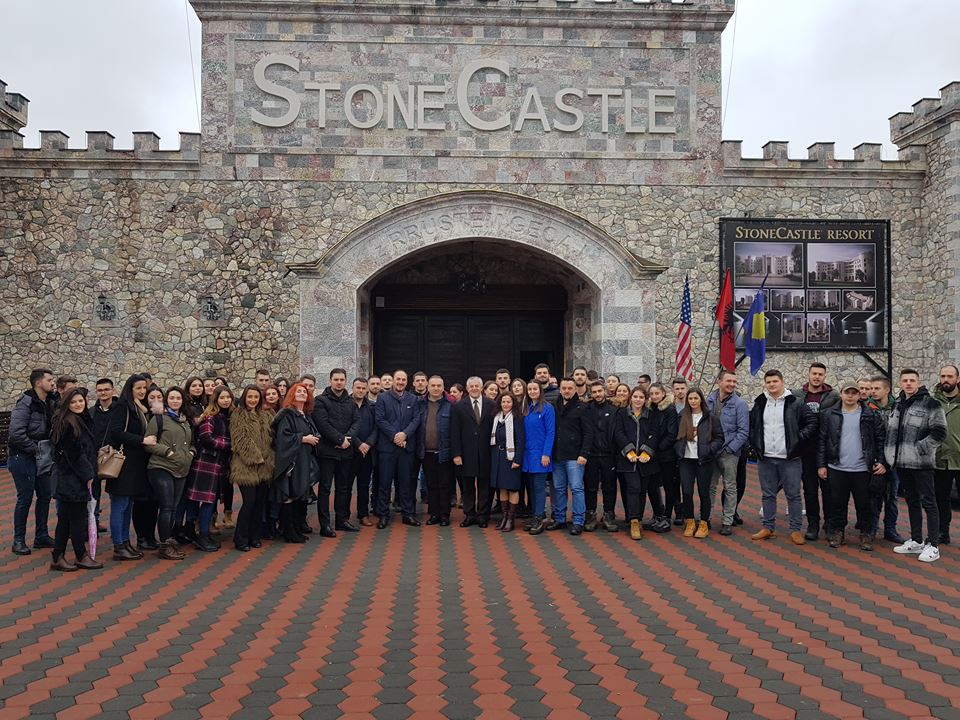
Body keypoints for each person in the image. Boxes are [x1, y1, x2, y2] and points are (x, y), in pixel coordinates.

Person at [817, 381, 887, 551]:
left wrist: (882, 462)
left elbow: (880, 440)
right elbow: (822, 441)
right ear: (840, 394)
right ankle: (838, 532)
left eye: (854, 393)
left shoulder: (870, 414)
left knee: (864, 503)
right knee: (837, 503)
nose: (850, 396)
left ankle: (866, 533)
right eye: (847, 392)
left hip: (863, 469)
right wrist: (821, 464)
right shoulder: (829, 414)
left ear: (859, 395)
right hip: (836, 467)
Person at [749, 369, 817, 545]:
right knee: (768, 494)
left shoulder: (796, 402)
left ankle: (795, 530)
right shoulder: (760, 402)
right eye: (768, 382)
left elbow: (812, 422)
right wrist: (755, 444)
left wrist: (798, 439)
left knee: (793, 495)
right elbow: (753, 425)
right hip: (766, 458)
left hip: (790, 458)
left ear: (782, 382)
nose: (772, 385)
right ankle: (768, 527)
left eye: (775, 381)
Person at [886, 369, 947, 563]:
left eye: (912, 380)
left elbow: (940, 432)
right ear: (900, 383)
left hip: (921, 462)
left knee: (929, 502)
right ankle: (916, 539)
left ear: (918, 382)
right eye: (905, 380)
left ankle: (933, 545)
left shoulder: (931, 404)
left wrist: (922, 447)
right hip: (902, 462)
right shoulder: (897, 404)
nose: (909, 384)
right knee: (911, 500)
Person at [49, 388, 102, 570]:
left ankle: (58, 556)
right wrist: (88, 475)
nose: (78, 404)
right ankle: (80, 555)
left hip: (73, 477)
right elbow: (74, 454)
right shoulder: (67, 423)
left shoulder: (80, 419)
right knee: (77, 519)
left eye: (81, 401)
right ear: (66, 404)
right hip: (72, 479)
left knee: (65, 518)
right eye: (73, 402)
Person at [8, 368, 56, 556]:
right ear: (38, 383)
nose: (53, 383)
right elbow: (16, 433)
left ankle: (41, 535)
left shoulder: (51, 402)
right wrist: (36, 449)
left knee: (44, 496)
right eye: (49, 380)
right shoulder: (26, 403)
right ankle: (18, 540)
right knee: (25, 498)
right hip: (23, 457)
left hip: (42, 456)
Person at [145, 387, 195, 560]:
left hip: (181, 469)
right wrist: (167, 452)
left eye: (178, 398)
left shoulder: (184, 420)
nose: (175, 401)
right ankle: (164, 545)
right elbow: (148, 443)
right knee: (166, 506)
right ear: (167, 400)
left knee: (173, 507)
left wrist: (191, 453)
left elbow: (191, 443)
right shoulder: (158, 419)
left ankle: (170, 541)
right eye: (172, 398)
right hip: (161, 466)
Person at [107, 374, 154, 561]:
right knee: (119, 505)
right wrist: (141, 440)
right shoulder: (123, 406)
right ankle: (118, 546)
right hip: (123, 463)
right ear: (130, 389)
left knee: (128, 505)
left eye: (144, 388)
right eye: (138, 388)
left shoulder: (140, 408)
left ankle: (126, 542)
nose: (142, 391)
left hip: (135, 464)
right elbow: (116, 432)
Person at [795, 362, 840, 541]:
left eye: (820, 374)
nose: (817, 377)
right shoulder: (798, 395)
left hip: (827, 449)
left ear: (824, 376)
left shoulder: (834, 396)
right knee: (809, 490)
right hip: (806, 449)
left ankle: (829, 524)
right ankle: (813, 523)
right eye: (814, 373)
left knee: (828, 490)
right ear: (809, 374)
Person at [313, 368, 361, 536]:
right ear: (330, 380)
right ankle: (325, 525)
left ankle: (341, 520)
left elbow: (357, 422)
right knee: (325, 488)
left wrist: (347, 439)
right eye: (336, 379)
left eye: (342, 379)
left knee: (343, 488)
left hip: (346, 452)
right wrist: (340, 440)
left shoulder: (351, 402)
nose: (339, 382)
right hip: (327, 452)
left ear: (346, 381)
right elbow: (322, 424)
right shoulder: (320, 401)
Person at [186, 386, 234, 552]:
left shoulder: (228, 417)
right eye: (222, 397)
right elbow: (206, 438)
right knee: (205, 500)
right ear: (216, 399)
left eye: (228, 397)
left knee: (210, 500)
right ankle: (201, 535)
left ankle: (199, 533)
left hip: (219, 463)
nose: (226, 400)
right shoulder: (210, 416)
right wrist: (229, 445)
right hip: (206, 462)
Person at [272, 383, 320, 543]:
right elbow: (283, 437)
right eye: (298, 391)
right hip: (291, 461)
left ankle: (296, 528)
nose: (302, 393)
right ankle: (288, 531)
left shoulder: (305, 414)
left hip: (303, 459)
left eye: (304, 392)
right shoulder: (287, 414)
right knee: (289, 494)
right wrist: (303, 438)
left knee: (299, 493)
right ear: (292, 395)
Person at [374, 370, 421, 528]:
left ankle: (408, 514)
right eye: (398, 379)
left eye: (403, 380)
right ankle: (383, 514)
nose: (400, 382)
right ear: (393, 381)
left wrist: (405, 434)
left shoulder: (413, 399)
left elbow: (416, 419)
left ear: (407, 382)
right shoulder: (382, 398)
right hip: (387, 448)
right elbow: (380, 419)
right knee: (384, 482)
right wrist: (395, 436)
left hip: (406, 448)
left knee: (406, 483)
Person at [675, 388, 724, 539]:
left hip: (704, 460)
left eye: (696, 398)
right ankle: (689, 521)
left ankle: (703, 522)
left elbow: (720, 437)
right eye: (690, 399)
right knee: (687, 492)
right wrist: (678, 449)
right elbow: (675, 436)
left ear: (701, 399)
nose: (693, 401)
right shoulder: (682, 416)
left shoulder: (710, 418)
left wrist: (710, 450)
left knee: (704, 493)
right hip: (686, 460)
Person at [230, 385, 274, 551]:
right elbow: (241, 440)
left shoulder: (265, 415)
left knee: (259, 504)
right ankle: (240, 538)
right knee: (249, 502)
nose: (253, 400)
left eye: (256, 397)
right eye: (250, 397)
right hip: (245, 466)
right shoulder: (238, 415)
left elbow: (271, 438)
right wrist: (256, 457)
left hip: (264, 466)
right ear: (244, 398)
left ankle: (254, 536)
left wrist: (268, 457)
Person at [548, 378, 594, 535]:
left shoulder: (583, 407)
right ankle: (560, 519)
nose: (567, 391)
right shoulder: (554, 406)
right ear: (560, 389)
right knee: (559, 488)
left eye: (570, 388)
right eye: (564, 388)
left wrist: (584, 453)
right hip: (557, 454)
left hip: (575, 456)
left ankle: (578, 521)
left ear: (575, 389)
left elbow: (589, 433)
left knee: (576, 488)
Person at [707, 370, 750, 536]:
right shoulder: (709, 401)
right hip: (712, 452)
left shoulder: (740, 404)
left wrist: (730, 448)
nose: (732, 384)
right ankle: (706, 518)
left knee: (730, 487)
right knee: (710, 487)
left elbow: (743, 431)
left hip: (729, 453)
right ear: (719, 382)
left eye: (734, 381)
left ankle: (727, 521)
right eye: (728, 381)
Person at [451, 376, 497, 528]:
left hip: (486, 452)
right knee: (468, 486)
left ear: (482, 388)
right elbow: (454, 432)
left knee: (485, 485)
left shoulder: (492, 405)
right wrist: (456, 453)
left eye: (477, 386)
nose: (475, 388)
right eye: (472, 386)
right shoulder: (459, 406)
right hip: (466, 452)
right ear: (467, 388)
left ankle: (483, 515)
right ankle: (469, 515)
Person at [614, 386, 658, 541]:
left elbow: (654, 434)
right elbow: (618, 433)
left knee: (642, 490)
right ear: (631, 398)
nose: (638, 400)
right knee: (633, 488)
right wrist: (629, 451)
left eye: (641, 397)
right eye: (635, 397)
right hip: (628, 459)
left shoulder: (651, 415)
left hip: (645, 460)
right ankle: (633, 520)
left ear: (645, 400)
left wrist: (646, 452)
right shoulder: (622, 414)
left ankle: (638, 518)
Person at [867, 375, 904, 543]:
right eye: (871, 388)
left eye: (877, 388)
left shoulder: (898, 408)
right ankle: (871, 529)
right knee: (873, 496)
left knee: (892, 497)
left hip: (894, 460)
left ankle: (890, 529)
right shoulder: (867, 407)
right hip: (874, 459)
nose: (873, 391)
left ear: (887, 389)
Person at [418, 375, 454, 526]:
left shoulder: (450, 405)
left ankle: (445, 515)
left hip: (444, 452)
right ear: (428, 386)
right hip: (426, 452)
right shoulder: (420, 404)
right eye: (433, 385)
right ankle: (434, 514)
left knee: (445, 484)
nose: (436, 388)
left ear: (443, 386)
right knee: (431, 484)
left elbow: (455, 430)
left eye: (439, 385)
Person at [584, 381, 619, 532]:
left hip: (608, 455)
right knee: (590, 486)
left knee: (609, 486)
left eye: (600, 391)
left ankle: (609, 514)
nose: (597, 394)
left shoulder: (614, 409)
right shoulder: (587, 409)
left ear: (605, 391)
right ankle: (590, 514)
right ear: (591, 393)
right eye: (594, 392)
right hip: (591, 455)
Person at [134, 386, 164, 552]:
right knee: (141, 501)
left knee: (154, 501)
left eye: (159, 396)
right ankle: (141, 537)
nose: (156, 399)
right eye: (152, 397)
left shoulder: (164, 416)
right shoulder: (142, 415)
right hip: (141, 462)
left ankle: (151, 536)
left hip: (157, 463)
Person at [523, 380, 555, 536]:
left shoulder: (547, 408)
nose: (532, 391)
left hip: (541, 454)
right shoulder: (526, 408)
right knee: (531, 488)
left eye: (535, 388)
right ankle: (535, 515)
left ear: (540, 390)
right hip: (527, 455)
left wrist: (546, 453)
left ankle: (539, 517)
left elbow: (551, 432)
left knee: (539, 487)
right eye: (529, 389)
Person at [490, 393, 526, 532]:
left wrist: (517, 459)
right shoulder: (497, 418)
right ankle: (504, 517)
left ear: (513, 403)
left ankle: (511, 519)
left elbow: (521, 440)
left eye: (508, 402)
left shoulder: (517, 418)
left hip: (511, 457)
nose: (505, 404)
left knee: (513, 488)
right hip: (498, 457)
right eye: (503, 401)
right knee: (502, 487)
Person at [934, 364, 960, 545]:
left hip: (959, 459)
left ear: (957, 379)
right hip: (939, 460)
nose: (946, 380)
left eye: (950, 376)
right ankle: (943, 532)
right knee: (941, 499)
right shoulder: (933, 402)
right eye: (943, 376)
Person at [650, 382, 681, 527]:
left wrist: (657, 448)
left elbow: (671, 434)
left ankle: (667, 516)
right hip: (652, 455)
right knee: (653, 486)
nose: (655, 396)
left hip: (667, 455)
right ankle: (657, 513)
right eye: (652, 394)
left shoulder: (670, 410)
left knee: (669, 486)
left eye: (657, 393)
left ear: (663, 394)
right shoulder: (651, 409)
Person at [351, 377, 379, 527]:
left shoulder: (372, 407)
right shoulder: (346, 405)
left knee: (363, 485)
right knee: (346, 485)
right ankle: (343, 516)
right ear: (353, 388)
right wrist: (358, 443)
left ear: (367, 389)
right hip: (349, 451)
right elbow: (344, 426)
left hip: (367, 452)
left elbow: (376, 427)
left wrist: (368, 443)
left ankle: (363, 514)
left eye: (363, 388)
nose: (361, 391)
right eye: (358, 388)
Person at [89, 377, 116, 532]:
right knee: (94, 493)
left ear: (113, 391)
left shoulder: (120, 410)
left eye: (106, 389)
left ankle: (116, 527)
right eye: (100, 390)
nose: (103, 393)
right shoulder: (91, 412)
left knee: (115, 494)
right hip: (95, 457)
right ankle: (94, 522)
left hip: (114, 458)